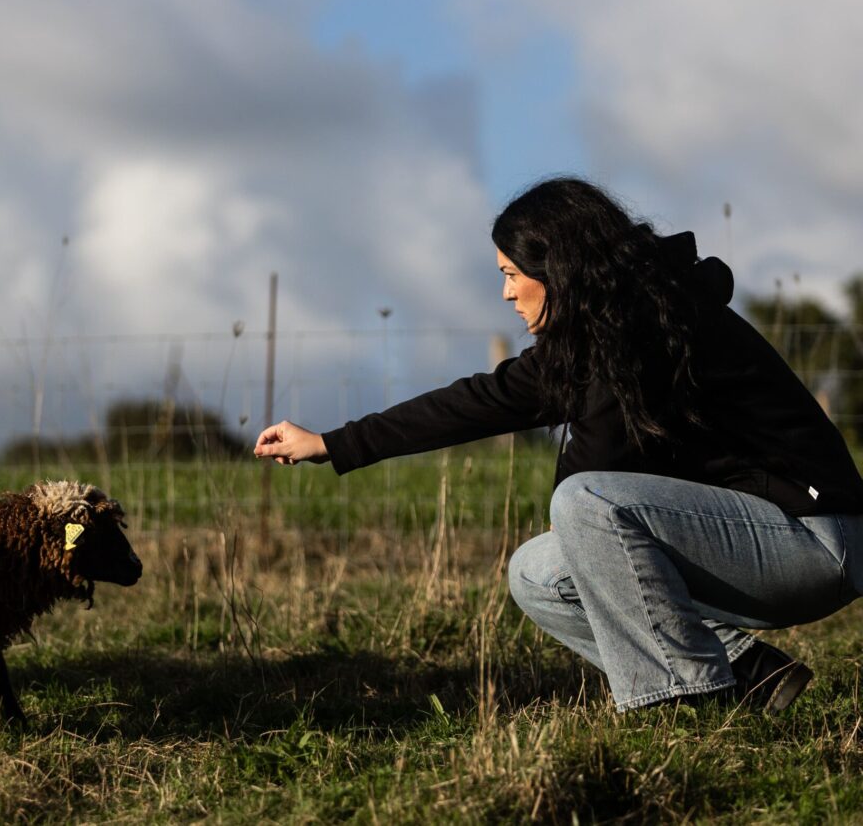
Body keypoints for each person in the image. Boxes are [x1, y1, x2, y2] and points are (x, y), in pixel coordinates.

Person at [254, 177, 863, 713]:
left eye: (511, 275)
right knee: (537, 573)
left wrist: (576, 513)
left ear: (559, 270)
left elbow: (593, 473)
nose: (506, 293)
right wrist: (334, 443)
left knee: (584, 502)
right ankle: (747, 674)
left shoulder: (650, 329)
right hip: (753, 539)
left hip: (816, 539)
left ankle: (683, 698)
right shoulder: (600, 336)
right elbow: (477, 401)